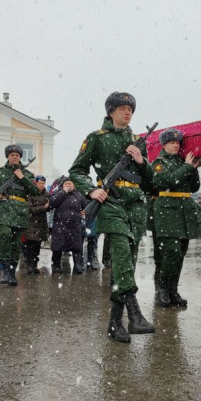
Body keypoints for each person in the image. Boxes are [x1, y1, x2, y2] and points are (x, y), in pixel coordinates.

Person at [69, 91, 155, 343]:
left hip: (136, 206)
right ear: (111, 111)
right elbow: (77, 170)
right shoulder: (96, 138)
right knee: (120, 253)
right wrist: (90, 190)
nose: (127, 112)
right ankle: (135, 312)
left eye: (130, 109)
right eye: (122, 108)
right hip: (111, 202)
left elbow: (150, 181)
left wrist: (142, 162)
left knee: (125, 264)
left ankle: (115, 323)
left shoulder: (139, 141)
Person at [152, 128, 201, 308]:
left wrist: (193, 169)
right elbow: (169, 181)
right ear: (164, 144)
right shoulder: (158, 163)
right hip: (167, 211)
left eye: (178, 143)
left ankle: (173, 291)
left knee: (180, 252)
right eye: (172, 142)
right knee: (171, 252)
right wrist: (187, 167)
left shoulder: (183, 162)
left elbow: (194, 187)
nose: (176, 145)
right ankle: (163, 290)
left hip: (184, 212)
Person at [0, 145, 39, 286]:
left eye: (17, 155)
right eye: (12, 154)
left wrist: (23, 178)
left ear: (20, 157)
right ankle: (5, 269)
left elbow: (35, 191)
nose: (15, 157)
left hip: (19, 210)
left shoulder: (27, 174)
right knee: (5, 235)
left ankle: (12, 271)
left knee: (16, 241)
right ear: (7, 156)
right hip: (2, 209)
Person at [49, 178, 88, 274]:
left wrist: (84, 211)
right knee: (58, 245)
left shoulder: (78, 194)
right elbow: (52, 203)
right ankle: (57, 264)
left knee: (76, 245)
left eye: (70, 183)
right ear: (62, 185)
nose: (68, 185)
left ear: (74, 185)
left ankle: (77, 265)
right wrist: (63, 192)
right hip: (60, 224)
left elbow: (86, 206)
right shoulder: (58, 193)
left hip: (74, 224)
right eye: (66, 184)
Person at [22, 175, 50, 275]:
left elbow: (49, 207)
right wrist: (44, 207)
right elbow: (29, 209)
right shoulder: (30, 193)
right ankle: (30, 266)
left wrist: (49, 206)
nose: (41, 185)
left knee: (37, 246)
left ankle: (34, 265)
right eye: (39, 183)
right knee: (30, 246)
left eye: (43, 183)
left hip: (41, 224)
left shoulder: (46, 194)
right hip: (31, 223)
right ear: (35, 183)